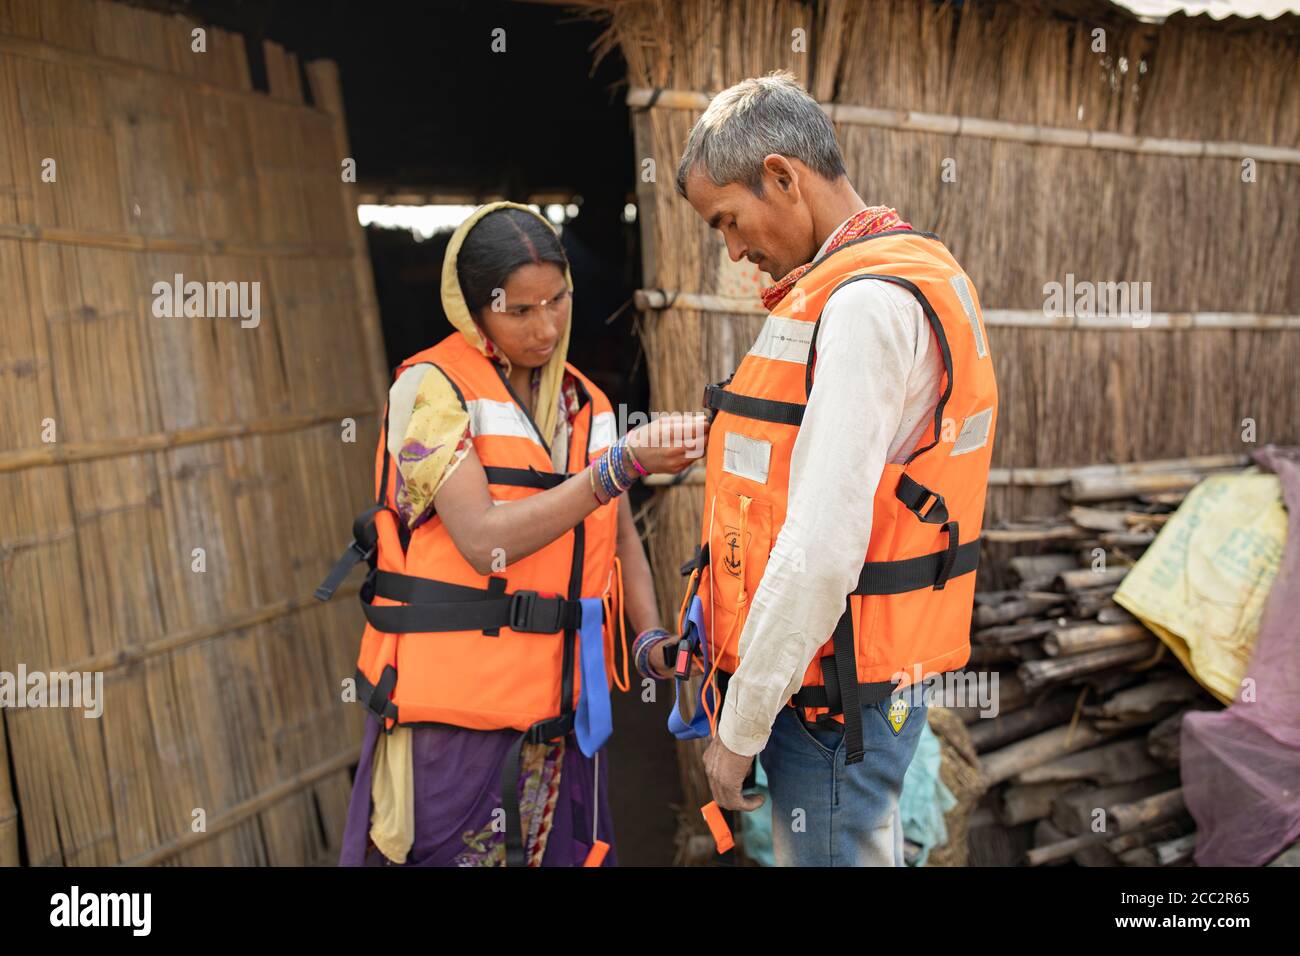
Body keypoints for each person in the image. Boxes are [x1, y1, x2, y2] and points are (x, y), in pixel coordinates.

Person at [668, 72, 998, 866]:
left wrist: (738, 732)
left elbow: (819, 551)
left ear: (781, 176)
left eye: (728, 220)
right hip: (853, 689)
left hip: (828, 705)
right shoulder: (914, 271)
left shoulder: (861, 307)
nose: (734, 249)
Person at [320, 202, 707, 866]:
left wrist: (648, 639)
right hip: (455, 729)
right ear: (473, 310)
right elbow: (481, 538)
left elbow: (615, 539)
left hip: (560, 726)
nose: (546, 326)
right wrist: (618, 468)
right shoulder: (429, 393)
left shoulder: (585, 403)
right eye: (519, 311)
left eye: (556, 302)